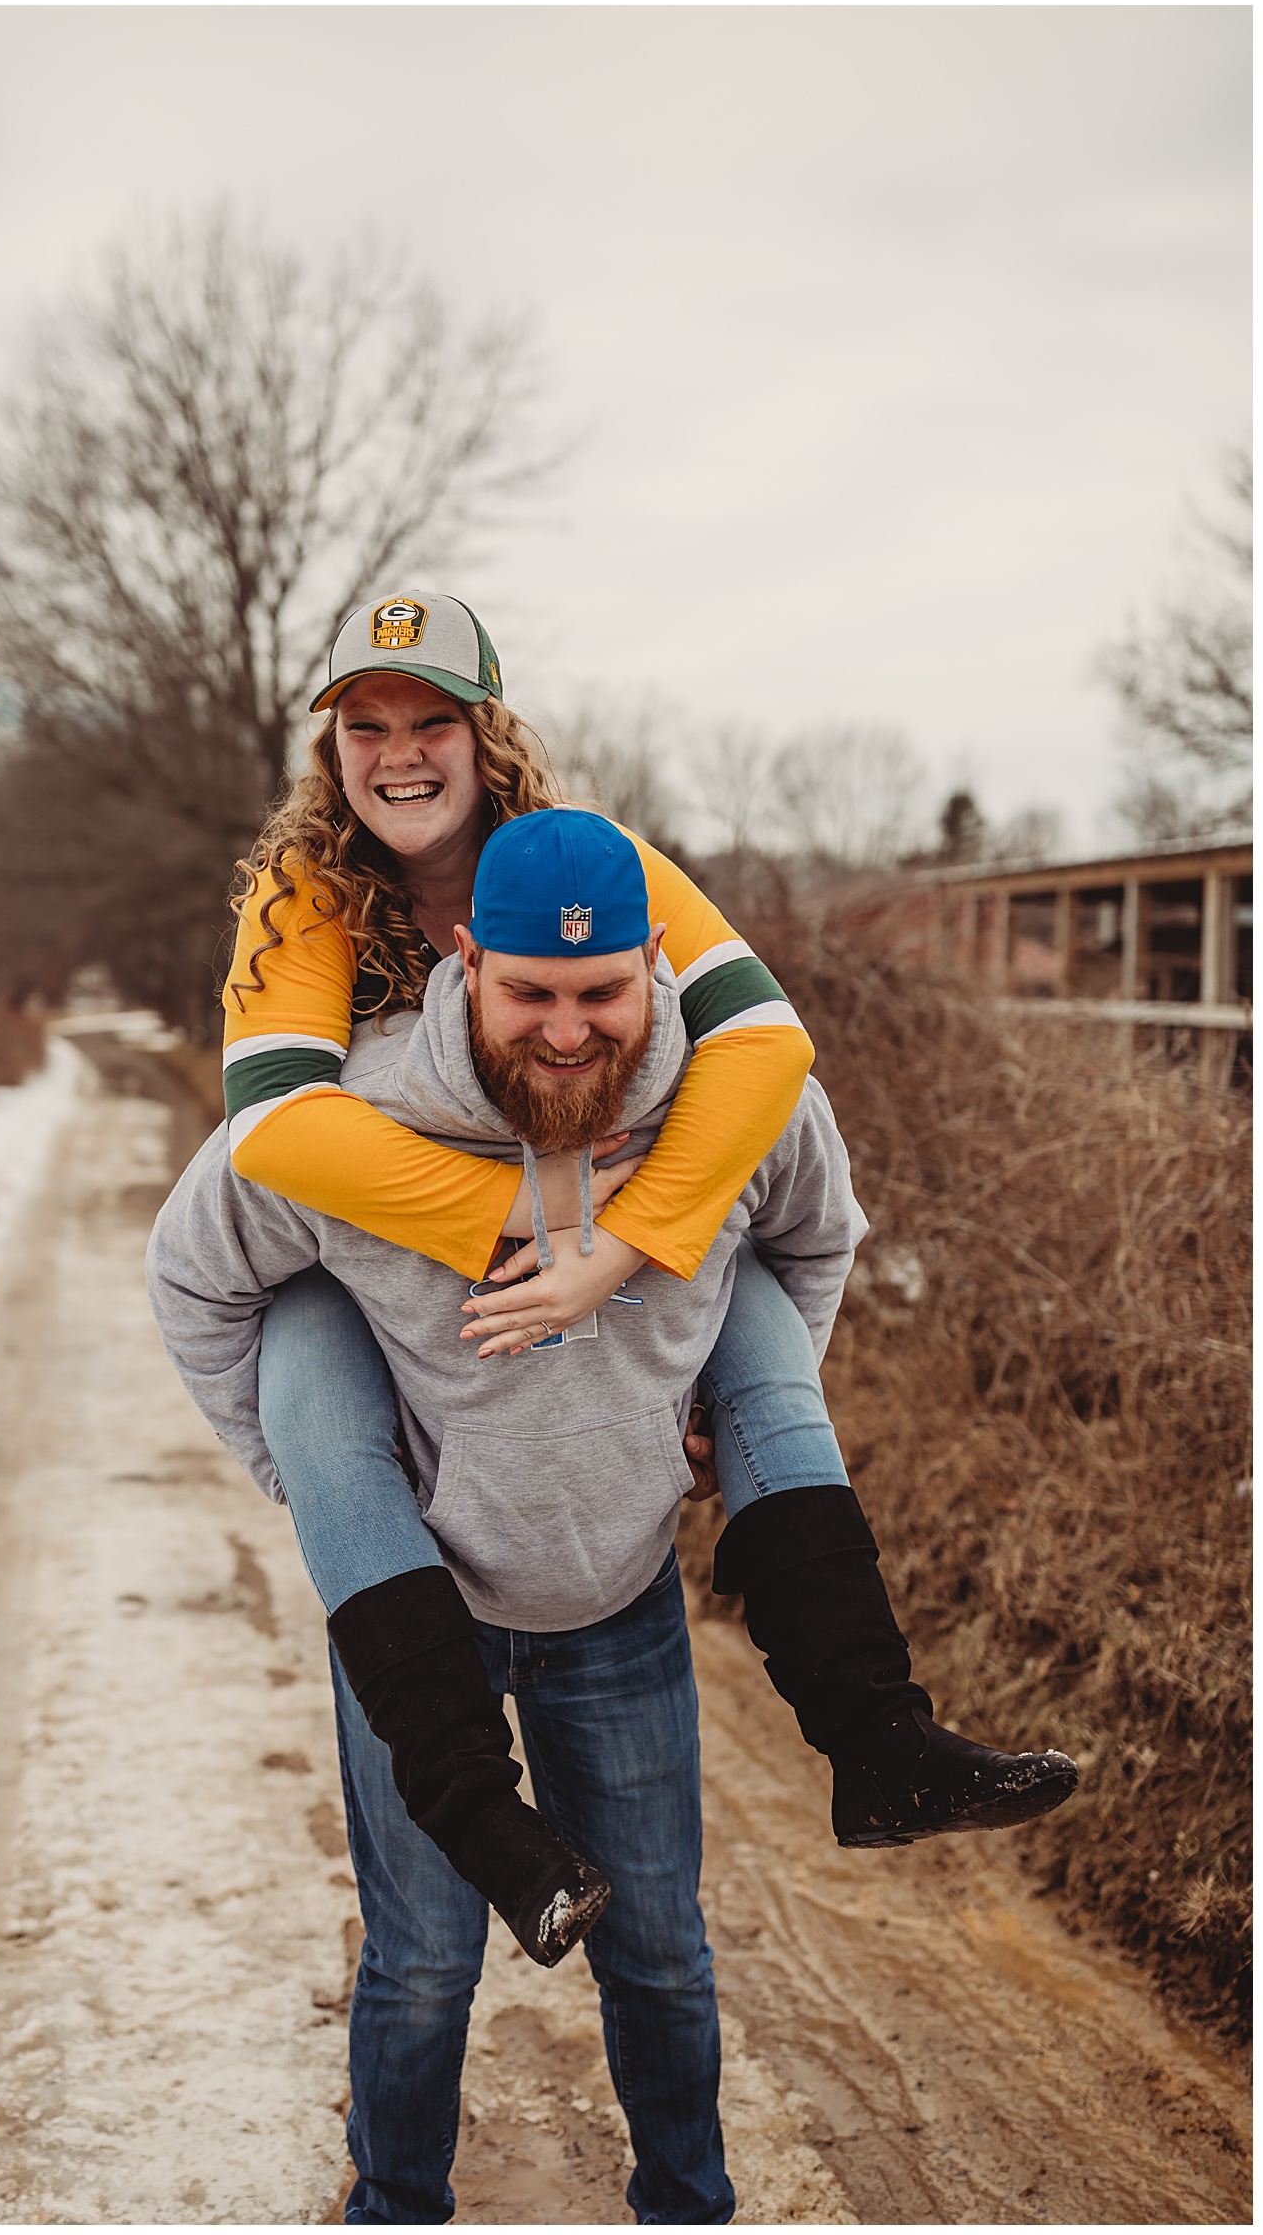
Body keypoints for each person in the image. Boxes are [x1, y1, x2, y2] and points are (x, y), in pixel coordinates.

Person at [148, 809, 1076, 2224]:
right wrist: (306, 1475)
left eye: (603, 994)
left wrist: (733, 1414)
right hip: (423, 1608)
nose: (571, 1031)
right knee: (421, 1967)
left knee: (659, 1953)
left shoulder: (738, 1107)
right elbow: (198, 1284)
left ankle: (686, 2209)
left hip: (620, 1605)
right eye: (532, 992)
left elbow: (816, 1240)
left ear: (656, 963)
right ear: (468, 960)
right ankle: (395, 2207)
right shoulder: (360, 1121)